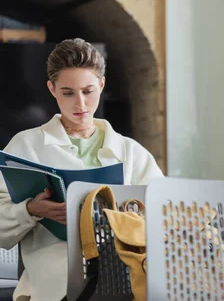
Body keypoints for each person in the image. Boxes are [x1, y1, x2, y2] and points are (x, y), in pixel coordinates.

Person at [0, 38, 164, 301]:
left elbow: (164, 211)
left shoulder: (131, 152)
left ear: (101, 84)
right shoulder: (26, 146)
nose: (80, 104)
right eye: (68, 93)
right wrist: (30, 210)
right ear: (52, 89)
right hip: (56, 276)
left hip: (127, 268)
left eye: (88, 91)